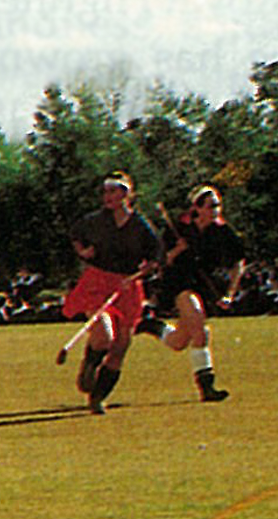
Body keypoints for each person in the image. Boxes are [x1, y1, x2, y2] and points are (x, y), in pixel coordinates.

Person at [63, 171, 164, 415]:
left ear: (127, 194)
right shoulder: (95, 221)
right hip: (98, 282)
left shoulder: (140, 225)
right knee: (104, 334)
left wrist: (142, 273)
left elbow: (155, 257)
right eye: (106, 191)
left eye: (114, 190)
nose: (108, 196)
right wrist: (83, 252)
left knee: (120, 346)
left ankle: (98, 398)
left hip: (128, 286)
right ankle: (90, 363)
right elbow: (75, 236)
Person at [146, 185, 245, 402]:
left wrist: (230, 292)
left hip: (203, 286)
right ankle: (206, 387)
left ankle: (153, 326)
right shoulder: (180, 228)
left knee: (180, 341)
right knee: (200, 327)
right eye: (212, 206)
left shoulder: (222, 231)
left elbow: (238, 264)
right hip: (178, 282)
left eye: (218, 205)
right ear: (197, 208)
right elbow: (161, 261)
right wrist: (177, 249)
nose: (216, 210)